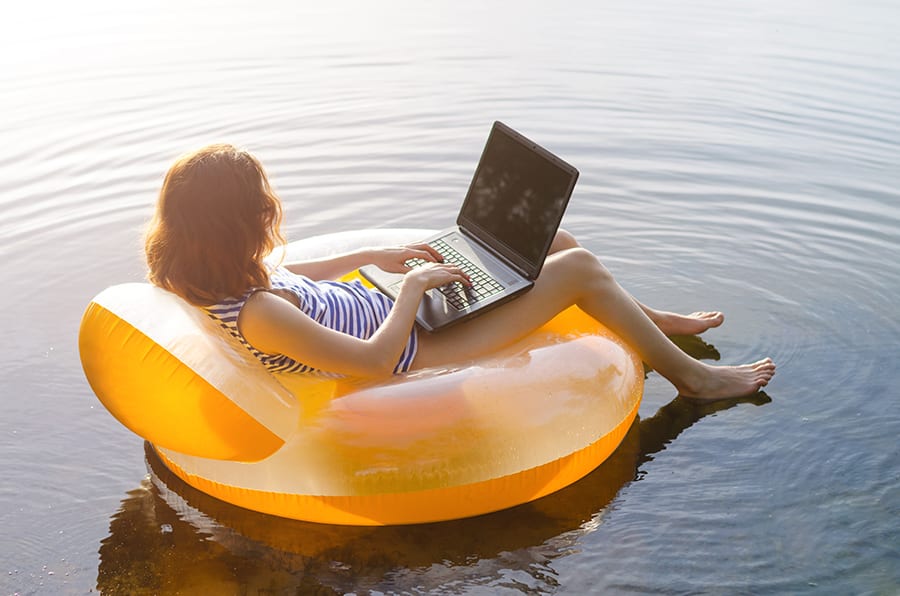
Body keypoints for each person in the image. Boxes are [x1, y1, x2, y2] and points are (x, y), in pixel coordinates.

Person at [145, 144, 775, 400]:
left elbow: (293, 272)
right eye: (260, 208)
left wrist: (370, 262)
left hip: (396, 306)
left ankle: (652, 322)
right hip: (418, 346)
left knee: (555, 238)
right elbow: (372, 362)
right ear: (236, 225)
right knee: (576, 265)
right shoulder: (258, 312)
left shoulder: (213, 274)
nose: (269, 215)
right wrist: (415, 288)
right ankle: (693, 379)